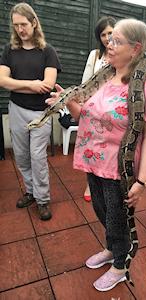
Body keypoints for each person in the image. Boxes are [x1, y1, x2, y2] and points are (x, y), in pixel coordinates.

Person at [47, 18, 146, 291]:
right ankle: (113, 249)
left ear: (135, 49)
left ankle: (121, 264)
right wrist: (68, 101)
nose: (109, 45)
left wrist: (142, 180)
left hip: (118, 168)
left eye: (117, 40)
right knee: (102, 212)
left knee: (117, 217)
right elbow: (85, 117)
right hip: (93, 161)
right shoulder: (102, 76)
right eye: (109, 39)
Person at [0, 3, 61, 221]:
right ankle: (31, 192)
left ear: (34, 23)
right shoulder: (9, 50)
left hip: (40, 113)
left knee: (38, 157)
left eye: (24, 24)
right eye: (16, 25)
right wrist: (31, 85)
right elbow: (2, 80)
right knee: (22, 156)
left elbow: (49, 83)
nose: (20, 29)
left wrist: (23, 84)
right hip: (16, 110)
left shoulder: (48, 51)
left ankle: (43, 199)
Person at [81, 16, 116, 202]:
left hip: (113, 109)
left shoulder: (122, 54)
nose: (107, 37)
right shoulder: (95, 55)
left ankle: (106, 181)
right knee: (90, 145)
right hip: (94, 107)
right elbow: (85, 81)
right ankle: (90, 182)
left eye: (110, 32)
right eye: (103, 34)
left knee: (108, 146)